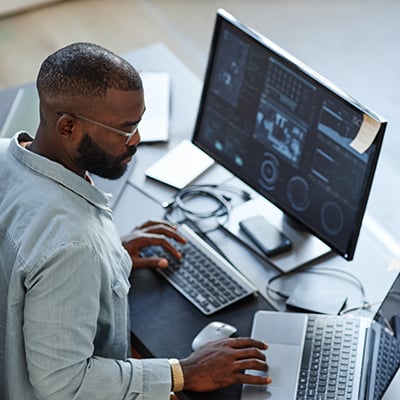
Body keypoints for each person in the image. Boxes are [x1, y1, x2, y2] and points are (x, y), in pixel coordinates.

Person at [0, 42, 271, 400]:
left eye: (139, 122)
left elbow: (29, 251)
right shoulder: (72, 245)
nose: (137, 140)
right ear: (67, 127)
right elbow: (65, 384)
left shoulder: (7, 153)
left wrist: (108, 259)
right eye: (125, 129)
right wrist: (183, 372)